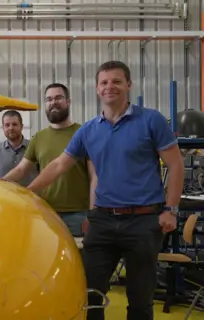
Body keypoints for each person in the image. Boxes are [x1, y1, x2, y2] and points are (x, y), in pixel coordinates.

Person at [26, 61, 184, 320]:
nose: (110, 86)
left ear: (128, 85)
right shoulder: (89, 130)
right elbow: (59, 165)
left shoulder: (151, 120)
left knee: (140, 298)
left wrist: (171, 209)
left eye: (117, 81)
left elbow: (176, 165)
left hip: (143, 221)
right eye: (104, 82)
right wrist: (27, 191)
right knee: (89, 294)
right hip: (103, 221)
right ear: (97, 89)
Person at [3, 83, 95, 237]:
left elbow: (94, 177)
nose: (53, 102)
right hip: (46, 212)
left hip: (78, 215)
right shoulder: (39, 137)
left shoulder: (83, 133)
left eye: (58, 97)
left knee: (79, 260)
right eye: (49, 99)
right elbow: (21, 169)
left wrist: (93, 214)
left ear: (68, 101)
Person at [0, 110, 38, 186]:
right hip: (3, 196)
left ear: (21, 126)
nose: (11, 128)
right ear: (3, 128)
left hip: (29, 196)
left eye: (14, 124)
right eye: (7, 125)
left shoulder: (34, 147)